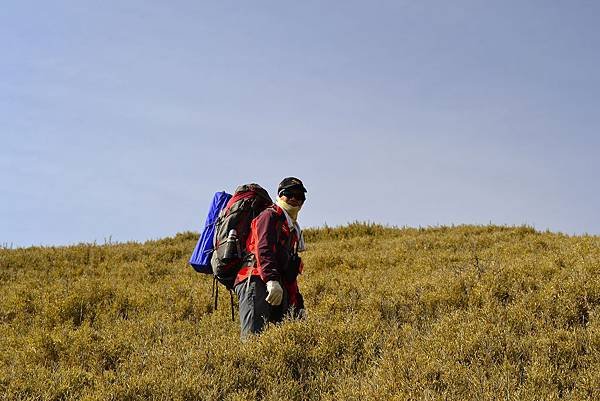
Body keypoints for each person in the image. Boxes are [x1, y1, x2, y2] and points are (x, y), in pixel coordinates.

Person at [234, 177, 307, 338]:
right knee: (252, 338)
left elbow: (290, 272)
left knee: (283, 337)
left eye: (299, 196)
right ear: (280, 196)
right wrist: (271, 280)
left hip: (275, 285)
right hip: (254, 279)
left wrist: (298, 305)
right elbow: (263, 248)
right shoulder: (269, 216)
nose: (294, 199)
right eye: (289, 194)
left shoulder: (293, 230)